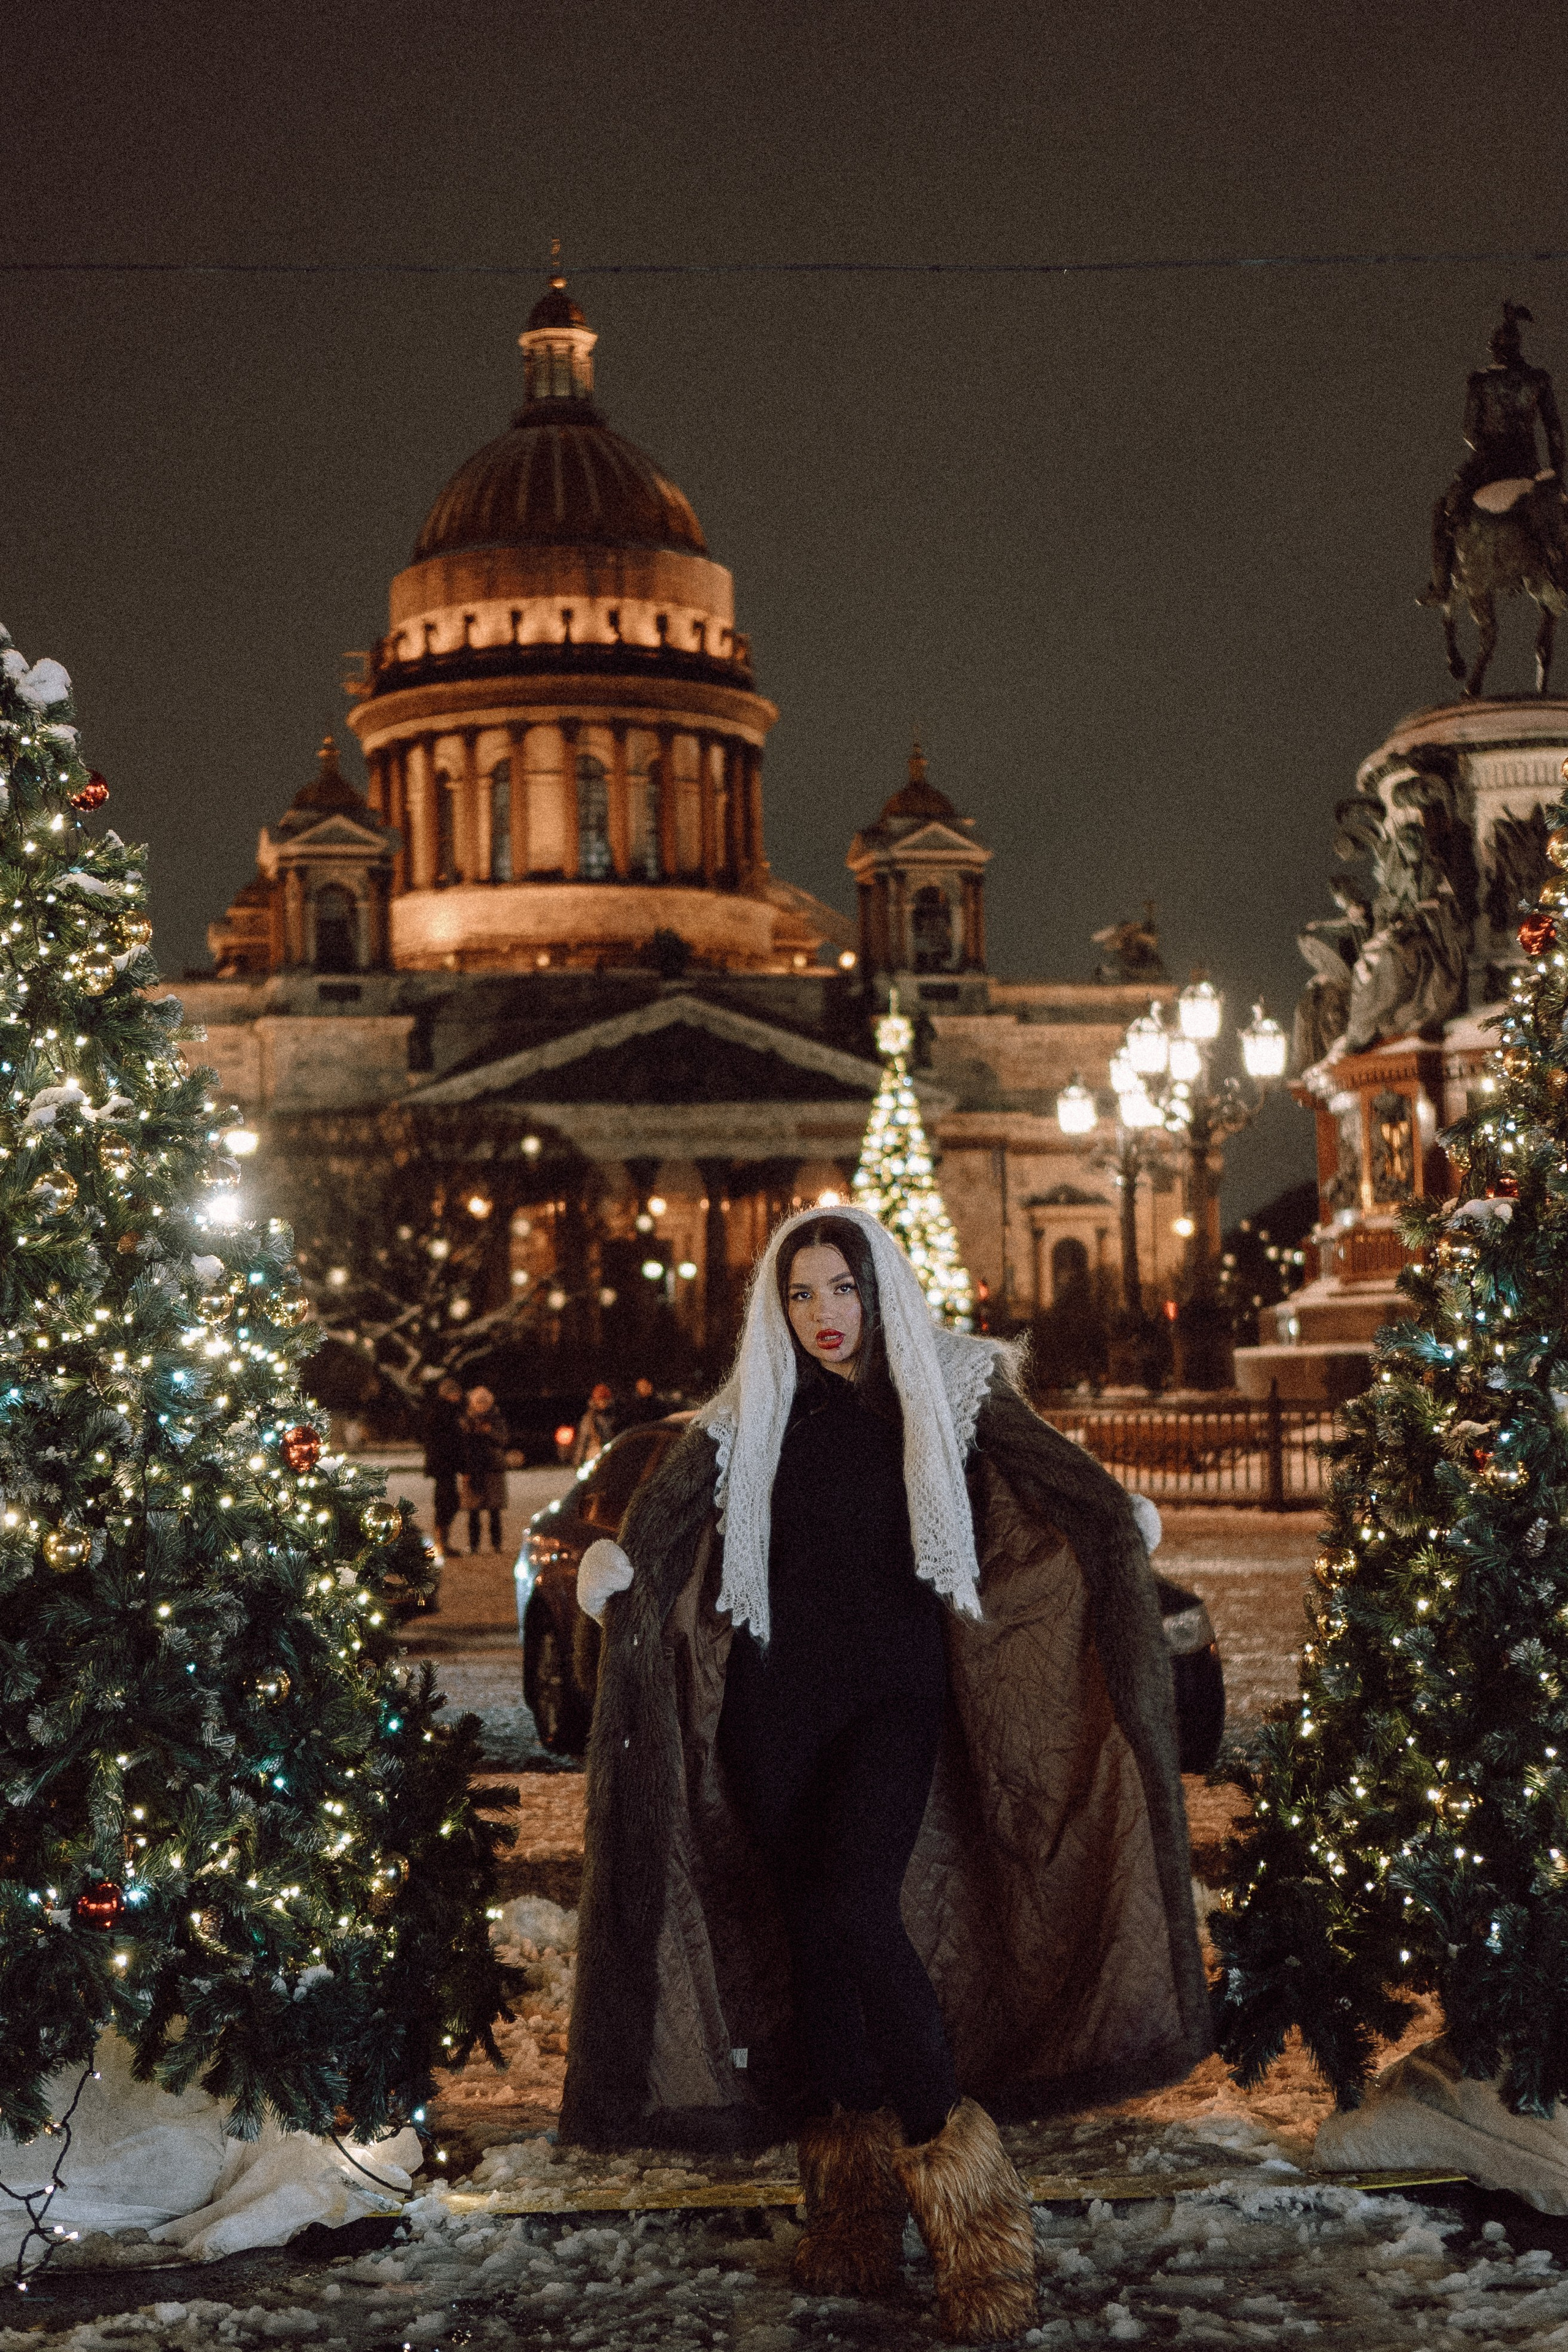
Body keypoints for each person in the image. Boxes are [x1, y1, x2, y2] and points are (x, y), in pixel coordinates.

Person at [562, 1207, 1207, 2343]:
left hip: (892, 1705)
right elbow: (658, 1527)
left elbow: (1058, 1479)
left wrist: (1119, 1524)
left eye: (842, 1290)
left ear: (878, 1291)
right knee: (814, 1947)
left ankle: (976, 2219)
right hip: (773, 1717)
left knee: (850, 1906)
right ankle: (854, 2222)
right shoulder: (745, 1411)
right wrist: (614, 1565)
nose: (823, 1315)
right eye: (803, 1293)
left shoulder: (950, 1384)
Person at [1423, 301, 1565, 605]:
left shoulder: (1481, 381)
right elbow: (1554, 429)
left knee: (1444, 512)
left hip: (1488, 466)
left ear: (1496, 351)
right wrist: (1557, 472)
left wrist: (1486, 450)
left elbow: (1469, 433)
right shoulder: (1538, 379)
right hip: (1528, 465)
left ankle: (1440, 586)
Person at [458, 1385, 508, 1555]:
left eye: (485, 1402)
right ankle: (474, 1545)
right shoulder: (466, 1420)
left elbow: (503, 1440)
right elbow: (461, 1444)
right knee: (473, 1511)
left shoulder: (497, 1419)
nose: (482, 1406)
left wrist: (490, 1432)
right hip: (473, 1469)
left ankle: (496, 1544)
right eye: (479, 1402)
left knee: (495, 1511)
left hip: (493, 1469)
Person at [419, 1374, 465, 1555]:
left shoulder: (445, 1411)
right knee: (447, 1502)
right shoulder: (444, 1412)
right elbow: (447, 1441)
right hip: (444, 1465)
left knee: (448, 1502)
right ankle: (441, 1543)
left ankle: (442, 1541)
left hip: (445, 1466)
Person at [571, 1379, 616, 1467]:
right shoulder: (589, 1419)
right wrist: (578, 1462)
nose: (603, 1403)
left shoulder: (615, 1416)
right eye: (600, 1400)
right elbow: (583, 1442)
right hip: (595, 1455)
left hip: (612, 1452)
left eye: (605, 1400)